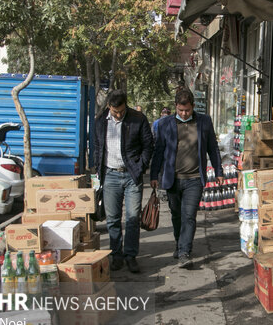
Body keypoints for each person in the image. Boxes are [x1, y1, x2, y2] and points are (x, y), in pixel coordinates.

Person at [150, 88, 223, 269]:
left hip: (194, 179)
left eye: (187, 110)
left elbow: (212, 148)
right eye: (181, 110)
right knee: (176, 215)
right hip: (172, 179)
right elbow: (158, 151)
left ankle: (184, 252)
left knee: (189, 216)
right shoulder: (165, 123)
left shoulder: (204, 122)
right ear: (176, 106)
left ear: (193, 107)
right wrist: (153, 175)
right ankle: (179, 244)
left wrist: (218, 170)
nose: (184, 114)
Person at [94, 90, 154, 273]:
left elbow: (148, 145)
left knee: (133, 218)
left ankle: (130, 256)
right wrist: (98, 169)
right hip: (110, 175)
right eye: (115, 111)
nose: (118, 115)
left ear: (125, 105)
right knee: (112, 219)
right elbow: (97, 146)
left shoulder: (138, 119)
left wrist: (141, 166)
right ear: (108, 107)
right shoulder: (100, 121)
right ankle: (116, 255)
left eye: (121, 111)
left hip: (132, 175)